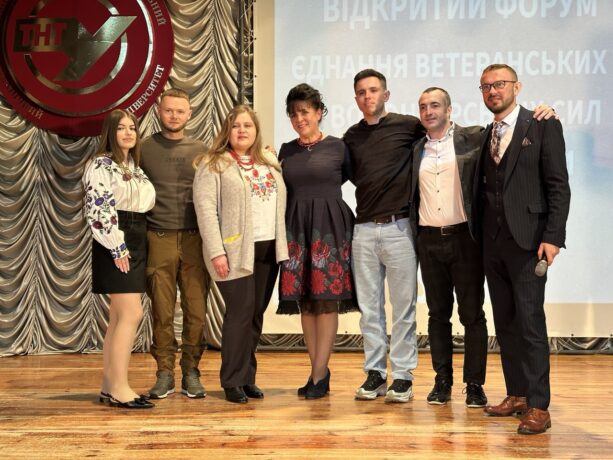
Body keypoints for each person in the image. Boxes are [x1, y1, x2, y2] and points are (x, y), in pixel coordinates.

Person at [410, 88, 556, 407]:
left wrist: (545, 111)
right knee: (437, 315)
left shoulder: (475, 137)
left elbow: (512, 134)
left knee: (472, 315)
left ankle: (474, 384)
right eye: (422, 107)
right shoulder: (416, 146)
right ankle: (442, 381)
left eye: (435, 105)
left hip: (466, 239)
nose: (428, 111)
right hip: (428, 240)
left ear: (450, 110)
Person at [477, 64, 570, 434]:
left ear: (517, 87)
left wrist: (553, 236)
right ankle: (516, 393)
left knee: (530, 323)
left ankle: (538, 405)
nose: (492, 91)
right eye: (485, 86)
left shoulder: (543, 124)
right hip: (493, 243)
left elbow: (558, 185)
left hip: (530, 242)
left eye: (499, 84)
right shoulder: (485, 134)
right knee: (506, 323)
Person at [193, 105, 288, 404]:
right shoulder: (213, 164)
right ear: (227, 131)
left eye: (248, 125)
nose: (242, 130)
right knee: (240, 312)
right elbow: (206, 211)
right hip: (234, 251)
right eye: (236, 126)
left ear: (256, 131)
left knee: (255, 313)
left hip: (268, 247)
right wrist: (216, 252)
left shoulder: (269, 162)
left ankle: (247, 377)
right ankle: (232, 380)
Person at [343, 69, 425, 403]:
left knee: (403, 307)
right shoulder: (351, 137)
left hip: (399, 228)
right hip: (363, 230)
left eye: (373, 90)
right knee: (369, 309)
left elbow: (446, 134)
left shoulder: (409, 126)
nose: (368, 96)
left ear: (386, 95)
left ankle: (403, 376)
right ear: (356, 99)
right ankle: (375, 374)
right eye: (362, 92)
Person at [276, 84, 359, 400]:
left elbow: (355, 179)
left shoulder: (338, 147)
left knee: (325, 301)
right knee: (306, 302)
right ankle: (316, 372)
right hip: (296, 228)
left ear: (319, 112)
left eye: (305, 112)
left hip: (329, 229)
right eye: (293, 113)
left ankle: (320, 374)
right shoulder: (286, 150)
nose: (299, 118)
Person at [140, 88, 211, 400]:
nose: (174, 116)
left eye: (180, 111)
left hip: (196, 239)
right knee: (162, 311)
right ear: (159, 111)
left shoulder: (202, 150)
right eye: (169, 110)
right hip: (158, 238)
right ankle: (165, 373)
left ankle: (191, 371)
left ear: (189, 113)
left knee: (197, 311)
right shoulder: (143, 148)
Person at [83, 109, 156, 409]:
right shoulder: (101, 164)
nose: (128, 133)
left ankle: (109, 384)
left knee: (118, 315)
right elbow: (98, 208)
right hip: (116, 238)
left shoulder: (133, 166)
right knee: (131, 313)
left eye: (132, 128)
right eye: (121, 128)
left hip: (136, 236)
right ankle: (120, 388)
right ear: (110, 133)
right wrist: (116, 245)